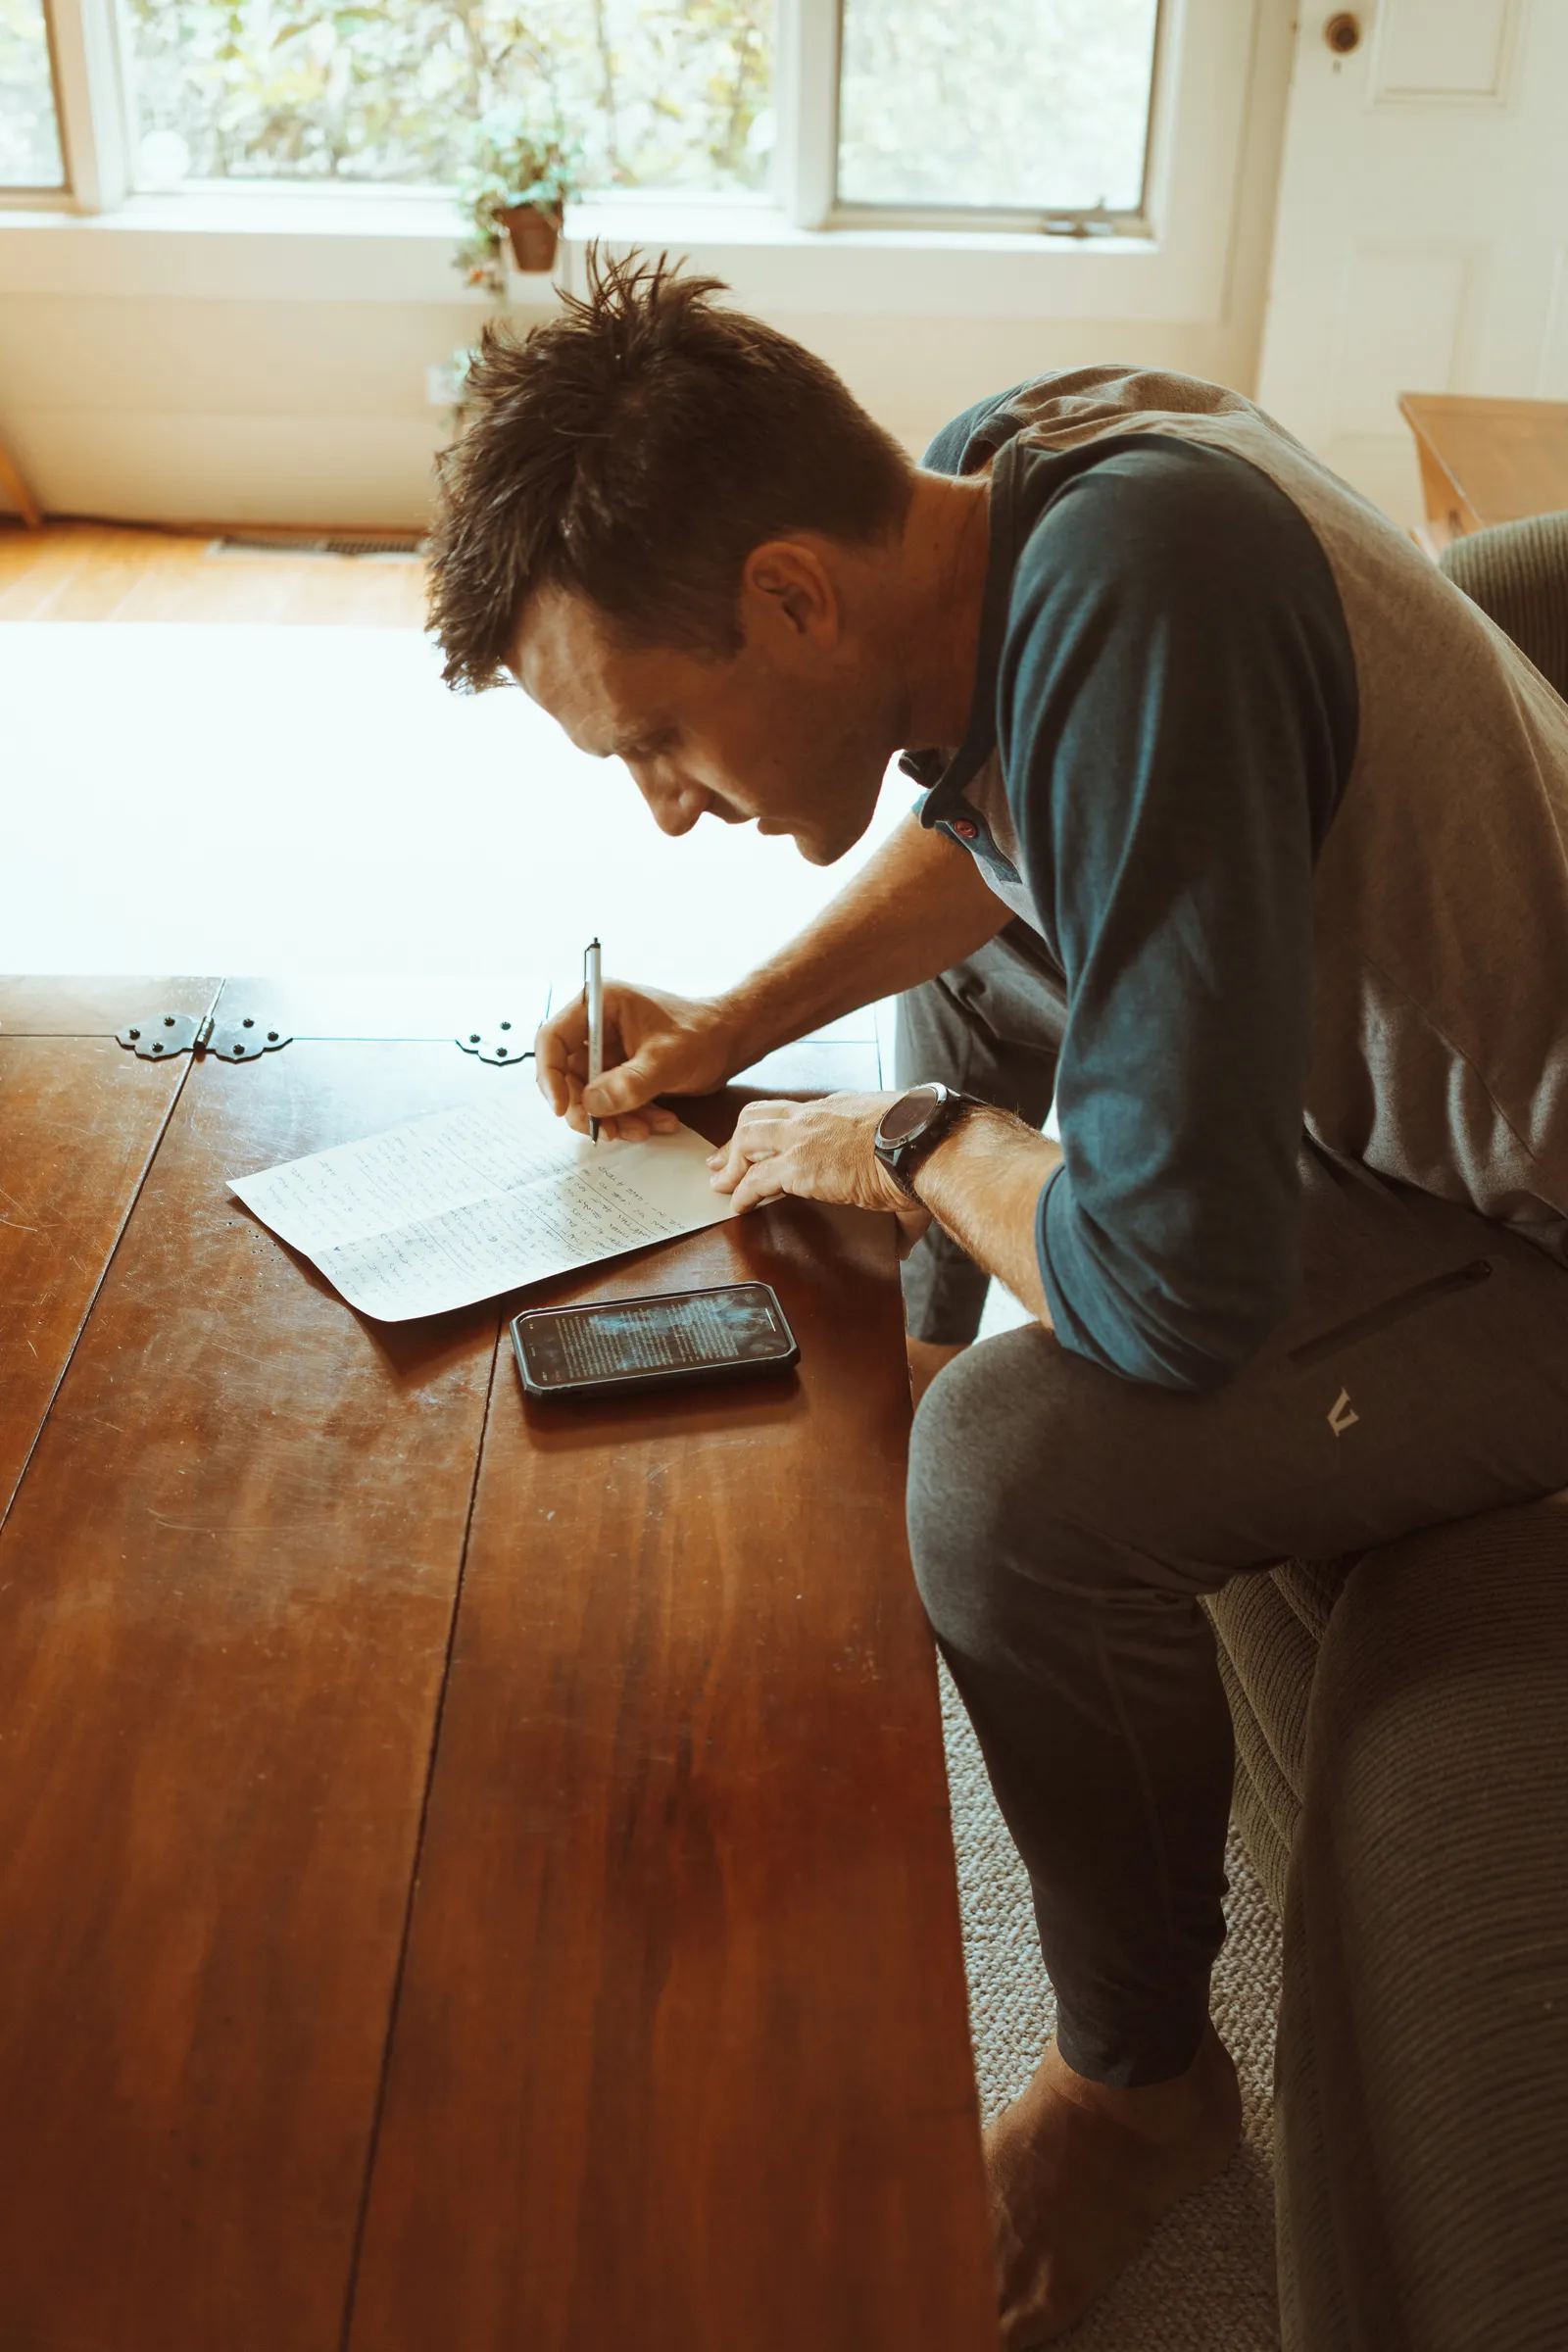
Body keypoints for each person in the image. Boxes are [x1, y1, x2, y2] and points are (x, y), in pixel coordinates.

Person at [426, 250, 1568, 2345]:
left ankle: (1135, 2090)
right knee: (959, 984)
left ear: (790, 594)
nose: (664, 802)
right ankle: (937, 1606)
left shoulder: (1153, 606)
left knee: (1010, 1478)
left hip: (1532, 1234)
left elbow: (1164, 1296)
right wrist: (729, 1035)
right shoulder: (1001, 482)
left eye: (659, 734)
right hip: (1364, 1105)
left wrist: (904, 1150)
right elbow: (999, 841)